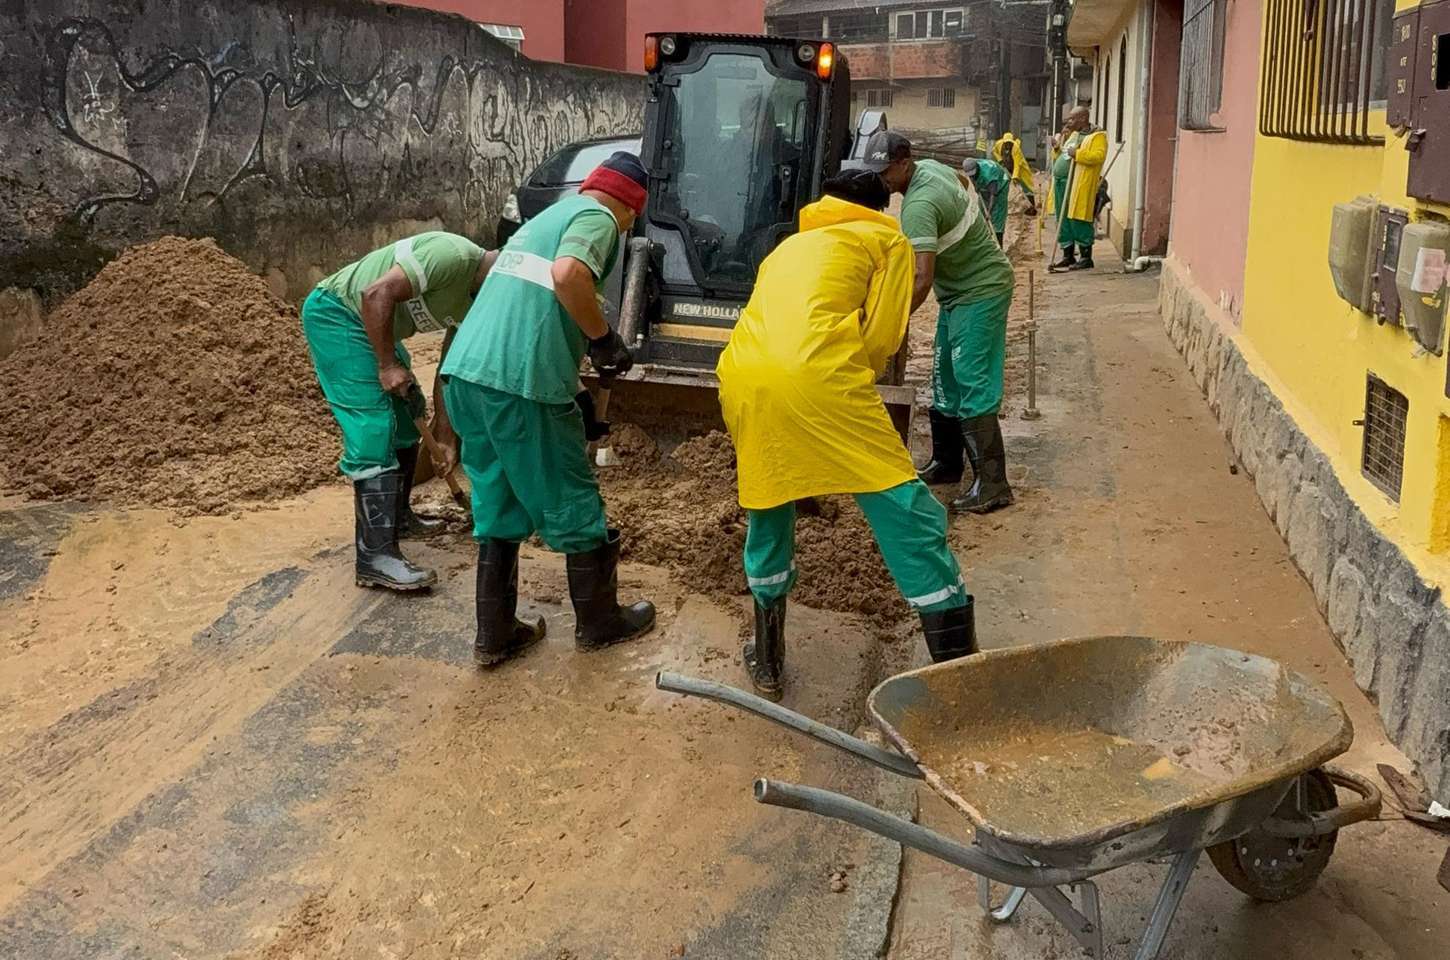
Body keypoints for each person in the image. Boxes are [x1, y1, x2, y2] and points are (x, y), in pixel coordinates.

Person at [716, 169, 978, 701]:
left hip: (741, 375)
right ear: (881, 209)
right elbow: (883, 335)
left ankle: (766, 659)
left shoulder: (788, 247)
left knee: (770, 504)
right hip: (820, 377)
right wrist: (852, 375)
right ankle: (959, 675)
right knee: (907, 510)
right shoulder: (886, 240)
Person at [440, 152, 656, 667]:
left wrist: (577, 395)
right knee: (570, 496)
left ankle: (494, 635)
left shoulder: (544, 219)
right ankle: (600, 622)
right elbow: (568, 277)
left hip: (465, 376)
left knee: (497, 503)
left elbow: (532, 306)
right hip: (520, 385)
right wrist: (602, 340)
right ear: (632, 208)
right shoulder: (599, 218)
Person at [302, 231, 494, 593]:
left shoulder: (480, 303)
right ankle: (375, 556)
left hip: (374, 325)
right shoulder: (451, 255)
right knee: (373, 425)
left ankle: (398, 518)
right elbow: (375, 293)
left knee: (409, 414)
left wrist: (445, 437)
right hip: (339, 314)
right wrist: (388, 364)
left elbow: (449, 368)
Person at [863, 130, 1016, 515]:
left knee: (971, 377)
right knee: (944, 377)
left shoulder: (918, 206)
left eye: (886, 171)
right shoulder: (932, 169)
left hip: (980, 290)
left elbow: (921, 279)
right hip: (958, 293)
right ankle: (948, 464)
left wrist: (892, 324)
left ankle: (994, 484)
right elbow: (963, 183)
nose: (881, 179)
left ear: (904, 162)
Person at [1047, 107, 1108, 272]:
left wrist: (1078, 154)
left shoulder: (1098, 136)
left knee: (1078, 218)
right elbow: (1064, 156)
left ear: (1083, 118)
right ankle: (1068, 255)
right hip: (1061, 183)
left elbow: (1098, 156)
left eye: (1072, 119)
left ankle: (1086, 257)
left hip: (1079, 184)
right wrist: (1057, 148)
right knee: (1063, 218)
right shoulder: (1073, 135)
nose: (1069, 122)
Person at [963, 156, 1011, 247]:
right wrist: (975, 186)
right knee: (981, 212)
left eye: (973, 174)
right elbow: (972, 177)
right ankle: (984, 240)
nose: (971, 176)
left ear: (977, 168)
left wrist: (989, 212)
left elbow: (993, 195)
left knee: (997, 216)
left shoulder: (989, 175)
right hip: (986, 184)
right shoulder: (973, 166)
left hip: (1000, 187)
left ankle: (999, 246)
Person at [992, 132, 1038, 215]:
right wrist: (1000, 160)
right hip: (1007, 168)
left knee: (1026, 187)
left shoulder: (1016, 148)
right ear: (1004, 141)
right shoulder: (999, 144)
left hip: (1020, 170)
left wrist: (1015, 177)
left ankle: (1031, 207)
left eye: (1009, 143)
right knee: (1003, 184)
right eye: (1006, 143)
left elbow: (1017, 164)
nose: (1008, 145)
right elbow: (994, 151)